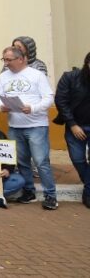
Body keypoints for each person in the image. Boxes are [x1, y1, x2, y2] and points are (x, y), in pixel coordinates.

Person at [0, 45, 57, 210]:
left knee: (41, 161)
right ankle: (29, 191)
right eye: (4, 60)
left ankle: (50, 195)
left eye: (9, 60)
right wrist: (1, 106)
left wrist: (33, 108)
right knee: (22, 161)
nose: (6, 63)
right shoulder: (4, 76)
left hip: (36, 125)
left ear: (21, 59)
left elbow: (48, 98)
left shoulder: (37, 75)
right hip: (15, 126)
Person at [54, 51, 90, 207]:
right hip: (74, 125)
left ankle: (88, 192)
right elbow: (61, 101)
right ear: (87, 63)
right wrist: (72, 124)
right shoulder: (70, 77)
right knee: (77, 159)